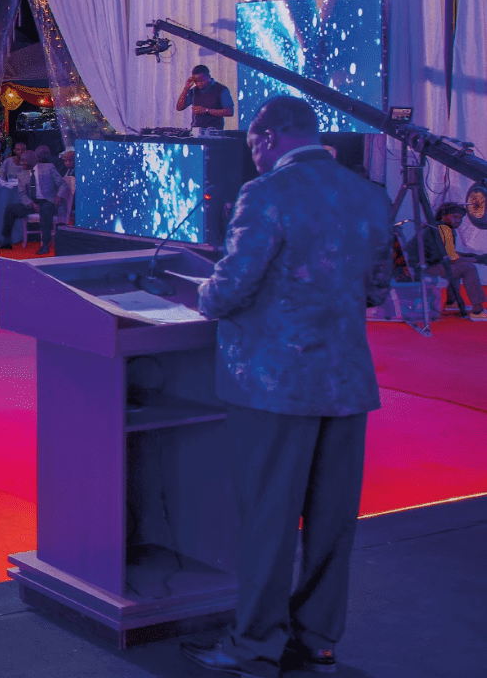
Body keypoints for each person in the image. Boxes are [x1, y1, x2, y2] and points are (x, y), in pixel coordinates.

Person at [184, 97, 392, 678]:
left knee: (269, 521)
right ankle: (319, 640)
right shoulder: (369, 195)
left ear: (270, 137)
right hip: (345, 382)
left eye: (253, 143)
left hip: (274, 385)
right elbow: (377, 288)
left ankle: (254, 646)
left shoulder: (266, 194)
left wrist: (200, 293)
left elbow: (230, 288)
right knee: (331, 522)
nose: (253, 154)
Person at [423, 202, 485, 317]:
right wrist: (478, 259)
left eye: (460, 218)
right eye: (454, 217)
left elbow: (448, 254)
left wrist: (473, 256)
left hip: (427, 265)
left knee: (457, 268)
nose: (458, 221)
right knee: (468, 268)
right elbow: (452, 258)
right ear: (443, 216)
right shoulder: (444, 229)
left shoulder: (439, 226)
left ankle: (452, 302)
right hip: (425, 268)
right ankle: (478, 311)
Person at [0, 146, 62, 256]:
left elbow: (62, 184)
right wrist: (31, 204)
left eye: (24, 161)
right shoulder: (22, 174)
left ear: (33, 160)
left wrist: (58, 196)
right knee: (10, 208)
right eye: (21, 161)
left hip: (48, 201)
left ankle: (45, 244)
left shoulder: (48, 168)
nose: (22, 163)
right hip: (33, 202)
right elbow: (22, 194)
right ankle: (6, 240)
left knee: (45, 209)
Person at [176, 63, 234, 131]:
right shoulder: (194, 91)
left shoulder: (221, 89)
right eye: (196, 81)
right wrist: (186, 89)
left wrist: (206, 110)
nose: (199, 84)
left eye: (201, 80)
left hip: (214, 131)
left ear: (209, 77)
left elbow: (229, 112)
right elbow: (179, 107)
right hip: (196, 130)